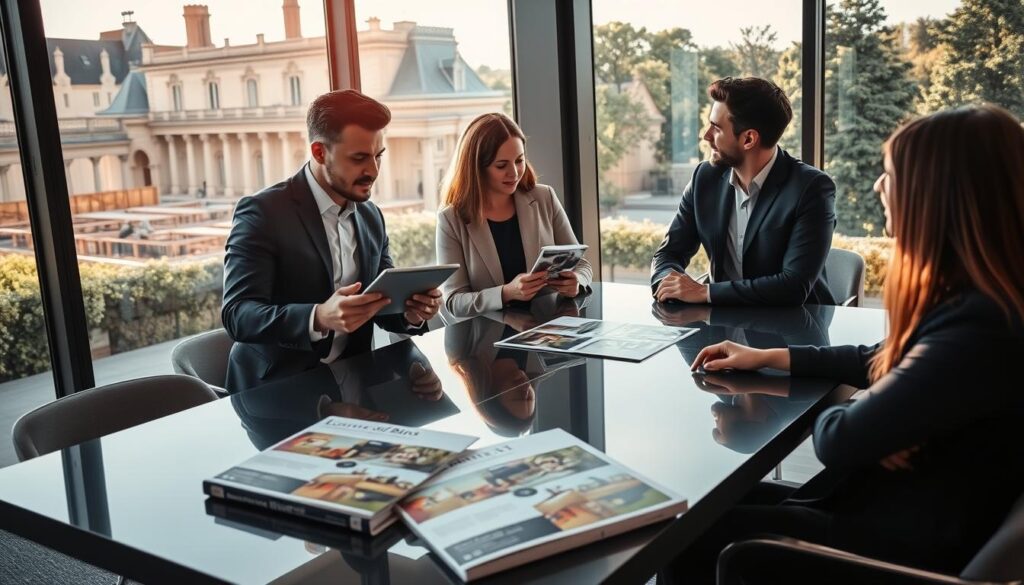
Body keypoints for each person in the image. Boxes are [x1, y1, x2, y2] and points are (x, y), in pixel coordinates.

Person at [663, 105, 1024, 584]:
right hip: (906, 510)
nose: (878, 186)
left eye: (890, 174)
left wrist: (876, 405)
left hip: (888, 542)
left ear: (938, 195)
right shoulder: (988, 302)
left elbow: (838, 438)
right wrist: (772, 357)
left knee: (684, 537)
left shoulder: (979, 326)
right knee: (703, 507)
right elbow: (881, 358)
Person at [222, 90, 442, 392]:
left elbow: (381, 303)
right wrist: (318, 317)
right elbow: (238, 314)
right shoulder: (263, 213)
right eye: (359, 158)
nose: (373, 171)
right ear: (319, 152)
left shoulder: (370, 217)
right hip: (276, 390)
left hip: (356, 383)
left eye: (378, 156)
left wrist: (411, 313)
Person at [652, 77, 836, 306]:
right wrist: (668, 284)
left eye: (716, 128)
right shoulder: (704, 178)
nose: (706, 135)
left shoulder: (812, 189)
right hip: (722, 324)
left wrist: (705, 293)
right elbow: (668, 254)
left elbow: (793, 287)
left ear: (748, 138)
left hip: (793, 330)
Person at [436, 112, 593, 317]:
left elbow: (582, 265)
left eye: (519, 161)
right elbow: (454, 301)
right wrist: (506, 293)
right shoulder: (451, 219)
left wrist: (577, 282)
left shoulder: (544, 197)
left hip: (545, 331)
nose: (515, 172)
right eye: (501, 166)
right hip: (486, 340)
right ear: (477, 168)